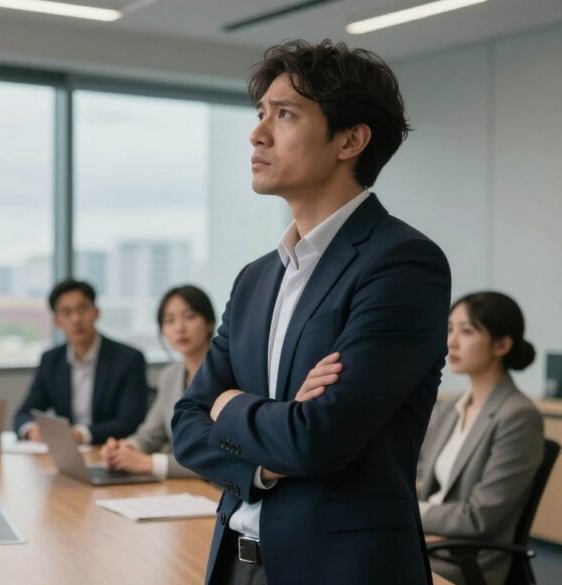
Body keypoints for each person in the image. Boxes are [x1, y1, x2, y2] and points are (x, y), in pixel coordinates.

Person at [171, 39, 452, 585]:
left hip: (341, 570)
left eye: (285, 114)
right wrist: (268, 457)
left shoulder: (402, 263)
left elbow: (318, 438)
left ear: (350, 139)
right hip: (234, 560)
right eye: (260, 114)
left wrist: (229, 406)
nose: (257, 133)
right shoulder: (256, 278)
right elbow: (185, 426)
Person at [418, 292, 543, 585]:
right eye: (450, 328)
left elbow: (481, 517)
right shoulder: (449, 407)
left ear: (501, 345)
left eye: (467, 331)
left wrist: (412, 510)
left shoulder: (518, 416)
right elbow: (423, 476)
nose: (452, 341)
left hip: (464, 557)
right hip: (430, 539)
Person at [14, 279, 149, 445]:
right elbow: (24, 413)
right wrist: (31, 430)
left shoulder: (128, 359)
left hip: (110, 450)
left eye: (83, 309)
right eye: (66, 312)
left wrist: (81, 434)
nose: (76, 319)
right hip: (68, 454)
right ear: (56, 321)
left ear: (97, 312)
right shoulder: (51, 360)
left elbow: (130, 421)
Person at [102, 285, 213, 478]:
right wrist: (123, 449)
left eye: (190, 317)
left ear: (210, 323)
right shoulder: (169, 376)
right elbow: (150, 435)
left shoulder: (228, 375)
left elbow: (220, 457)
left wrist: (151, 464)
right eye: (169, 321)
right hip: (182, 487)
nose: (179, 328)